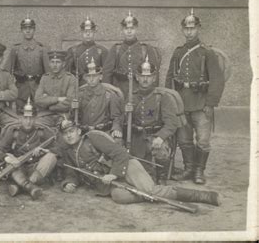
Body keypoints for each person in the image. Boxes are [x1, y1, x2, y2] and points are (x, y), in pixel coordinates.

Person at [58, 118, 220, 207]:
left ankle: (201, 196)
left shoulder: (92, 137)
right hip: (110, 184)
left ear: (79, 131)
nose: (69, 136)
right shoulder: (68, 152)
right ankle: (145, 192)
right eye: (65, 134)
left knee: (150, 189)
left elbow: (120, 153)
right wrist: (68, 183)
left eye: (72, 131)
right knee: (118, 197)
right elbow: (72, 172)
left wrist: (113, 174)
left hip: (126, 167)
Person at [165, 9, 225, 184]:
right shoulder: (178, 52)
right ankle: (188, 169)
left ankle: (199, 171)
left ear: (198, 29)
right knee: (184, 140)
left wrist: (211, 103)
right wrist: (169, 102)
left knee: (203, 140)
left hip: (201, 103)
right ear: (182, 30)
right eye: (186, 28)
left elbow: (217, 80)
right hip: (181, 104)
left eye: (193, 28)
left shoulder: (207, 52)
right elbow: (170, 77)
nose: (189, 31)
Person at [126, 58, 181, 185]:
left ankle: (162, 179)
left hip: (154, 136)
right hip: (136, 137)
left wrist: (161, 137)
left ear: (154, 78)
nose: (145, 80)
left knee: (160, 150)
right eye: (142, 76)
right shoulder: (131, 96)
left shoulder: (162, 97)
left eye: (149, 76)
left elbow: (172, 122)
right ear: (137, 77)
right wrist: (126, 112)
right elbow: (124, 121)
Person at [0, 98, 57, 199]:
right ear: (20, 118)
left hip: (36, 168)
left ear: (35, 118)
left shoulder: (42, 131)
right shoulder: (13, 131)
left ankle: (20, 186)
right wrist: (8, 158)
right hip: (18, 168)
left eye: (31, 118)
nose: (28, 121)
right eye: (25, 118)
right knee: (9, 162)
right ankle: (31, 188)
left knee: (51, 157)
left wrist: (45, 151)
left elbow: (59, 149)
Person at [102, 11, 161, 98]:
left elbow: (154, 75)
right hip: (119, 92)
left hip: (140, 93)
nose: (129, 31)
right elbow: (107, 74)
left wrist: (150, 95)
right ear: (122, 30)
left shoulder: (145, 49)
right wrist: (109, 93)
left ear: (136, 29)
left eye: (132, 28)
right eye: (126, 29)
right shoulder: (116, 49)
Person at [2, 15, 50, 113]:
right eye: (25, 28)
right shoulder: (15, 49)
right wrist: (10, 89)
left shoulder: (42, 49)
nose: (28, 31)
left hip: (38, 88)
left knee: (39, 115)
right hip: (21, 88)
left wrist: (46, 90)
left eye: (30, 28)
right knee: (20, 115)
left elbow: (48, 73)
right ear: (21, 30)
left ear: (34, 30)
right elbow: (6, 72)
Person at [79, 57, 124, 145]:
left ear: (100, 77)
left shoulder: (109, 95)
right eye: (88, 76)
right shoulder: (80, 95)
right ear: (85, 78)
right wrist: (73, 109)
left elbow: (116, 117)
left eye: (94, 76)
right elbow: (74, 117)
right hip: (84, 133)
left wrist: (116, 129)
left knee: (116, 143)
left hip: (103, 133)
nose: (91, 79)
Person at [34, 51, 77, 128]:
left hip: (63, 115)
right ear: (49, 64)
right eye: (52, 62)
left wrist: (49, 105)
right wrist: (58, 99)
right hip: (45, 115)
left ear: (63, 64)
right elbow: (37, 99)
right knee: (36, 127)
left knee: (66, 128)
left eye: (58, 62)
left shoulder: (70, 78)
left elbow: (70, 101)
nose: (55, 65)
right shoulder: (44, 78)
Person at [65, 17, 108, 84]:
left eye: (90, 31)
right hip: (78, 86)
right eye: (85, 31)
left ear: (94, 32)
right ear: (81, 32)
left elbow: (106, 73)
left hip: (96, 85)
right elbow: (68, 73)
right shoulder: (73, 50)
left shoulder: (102, 50)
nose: (88, 34)